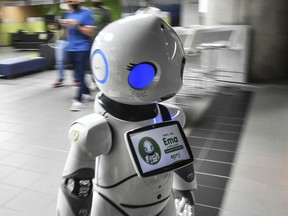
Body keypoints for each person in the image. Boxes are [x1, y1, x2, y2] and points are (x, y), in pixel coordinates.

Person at [60, 0, 95, 111]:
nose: (69, 3)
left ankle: (78, 100)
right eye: (68, 1)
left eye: (71, 1)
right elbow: (65, 35)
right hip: (70, 48)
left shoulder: (87, 13)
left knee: (79, 73)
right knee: (76, 74)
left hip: (82, 48)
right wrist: (64, 26)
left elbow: (89, 32)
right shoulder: (69, 13)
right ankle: (87, 92)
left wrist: (77, 25)